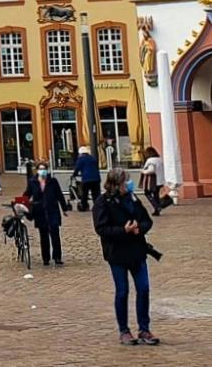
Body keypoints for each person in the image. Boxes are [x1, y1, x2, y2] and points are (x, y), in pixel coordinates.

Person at [93, 167, 159, 347]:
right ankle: (124, 330)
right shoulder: (103, 202)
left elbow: (147, 220)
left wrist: (140, 228)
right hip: (117, 253)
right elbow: (102, 229)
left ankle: (144, 328)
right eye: (125, 182)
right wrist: (124, 230)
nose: (128, 184)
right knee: (122, 292)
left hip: (137, 250)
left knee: (144, 289)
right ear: (115, 184)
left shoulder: (133, 198)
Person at [23, 163, 71, 267]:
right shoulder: (33, 182)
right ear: (37, 170)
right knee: (43, 236)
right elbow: (27, 194)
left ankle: (57, 257)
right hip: (40, 212)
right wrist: (22, 204)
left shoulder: (52, 181)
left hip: (52, 210)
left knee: (55, 235)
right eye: (40, 169)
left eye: (44, 169)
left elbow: (59, 195)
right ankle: (46, 258)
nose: (42, 171)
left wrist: (64, 208)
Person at [73, 145, 101, 211]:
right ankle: (97, 206)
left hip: (86, 179)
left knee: (84, 193)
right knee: (96, 194)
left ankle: (84, 206)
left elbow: (77, 168)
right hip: (96, 179)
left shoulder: (81, 159)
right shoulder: (93, 158)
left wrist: (74, 174)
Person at [138, 147, 164, 216]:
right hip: (159, 180)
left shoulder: (150, 160)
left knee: (147, 192)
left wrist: (143, 171)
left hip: (152, 181)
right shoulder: (159, 159)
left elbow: (151, 170)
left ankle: (156, 206)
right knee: (156, 195)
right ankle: (156, 210)